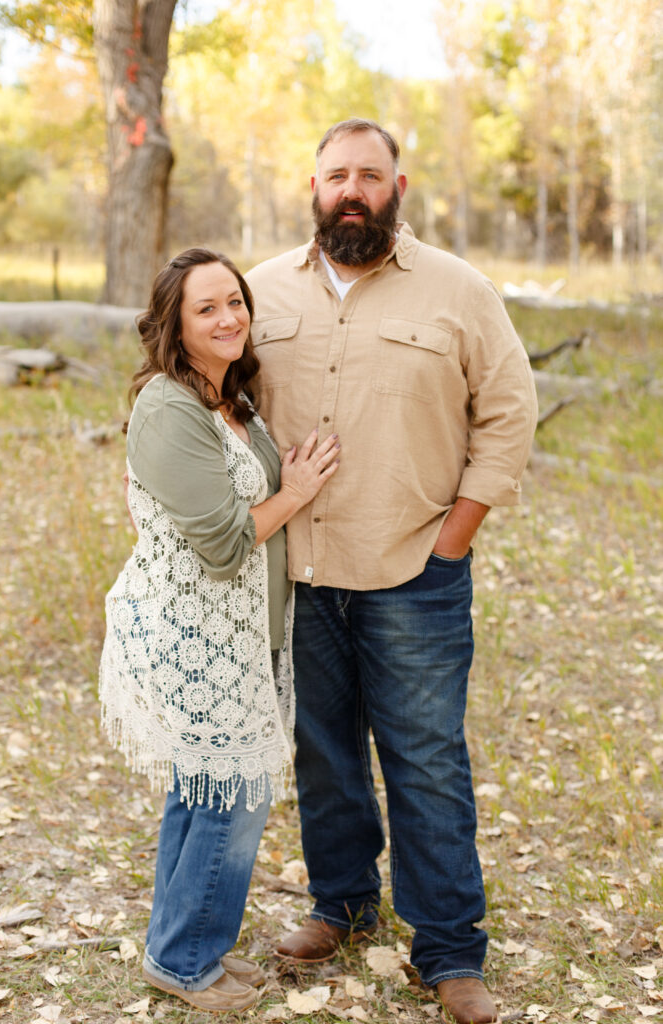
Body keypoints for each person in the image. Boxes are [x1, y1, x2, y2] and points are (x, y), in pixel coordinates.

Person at [245, 119, 538, 1024]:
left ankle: (449, 952)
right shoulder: (257, 290)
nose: (352, 191)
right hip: (303, 568)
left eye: (369, 175)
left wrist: (453, 536)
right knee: (324, 754)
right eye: (337, 175)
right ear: (313, 185)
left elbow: (509, 412)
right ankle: (340, 905)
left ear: (397, 186)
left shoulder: (459, 290)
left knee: (426, 762)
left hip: (415, 565)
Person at [99, 247, 340, 1013]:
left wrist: (284, 476)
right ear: (173, 323)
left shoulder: (228, 398)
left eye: (234, 301)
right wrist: (297, 490)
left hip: (239, 636)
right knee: (231, 801)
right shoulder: (168, 406)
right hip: (193, 637)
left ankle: (179, 950)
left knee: (203, 792)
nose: (228, 316)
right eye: (206, 308)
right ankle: (186, 962)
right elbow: (225, 543)